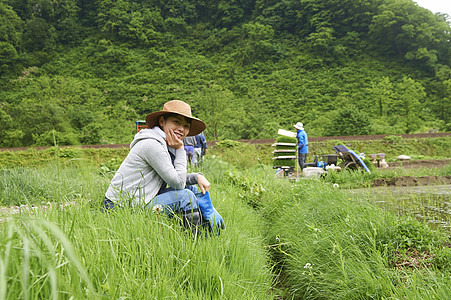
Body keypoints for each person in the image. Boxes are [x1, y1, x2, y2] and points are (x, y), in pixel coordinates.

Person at [104, 100, 225, 234]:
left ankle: (207, 227)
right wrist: (180, 149)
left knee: (190, 187)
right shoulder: (153, 144)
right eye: (176, 122)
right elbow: (178, 183)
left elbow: (174, 177)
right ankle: (196, 242)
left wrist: (197, 177)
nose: (181, 129)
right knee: (185, 196)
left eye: (186, 125)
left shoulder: (164, 143)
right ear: (162, 122)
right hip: (121, 207)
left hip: (142, 198)